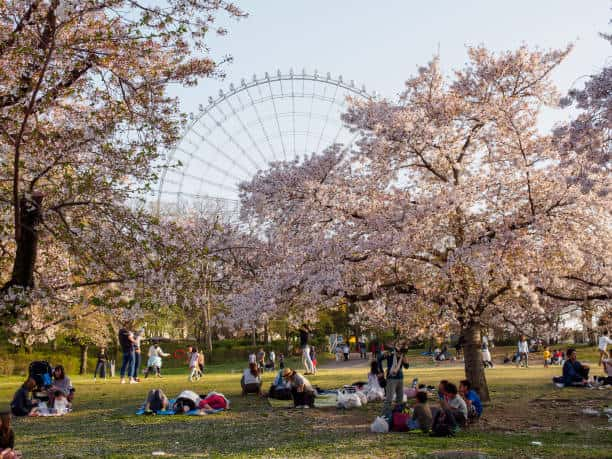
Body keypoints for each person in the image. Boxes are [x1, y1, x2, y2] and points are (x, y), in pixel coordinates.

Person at [378, 344, 409, 412]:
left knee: (400, 400)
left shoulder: (402, 355)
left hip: (400, 378)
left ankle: (397, 416)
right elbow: (379, 358)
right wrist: (381, 371)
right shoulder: (390, 353)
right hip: (391, 378)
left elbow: (406, 366)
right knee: (389, 399)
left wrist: (403, 357)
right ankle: (384, 416)